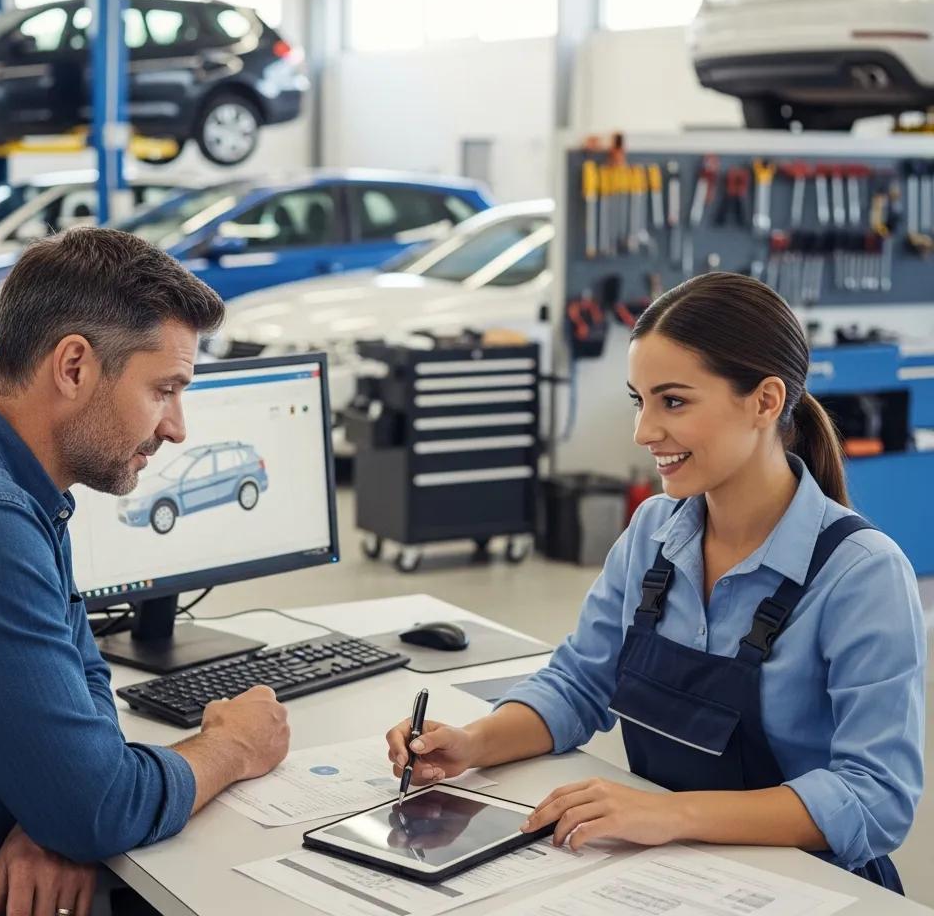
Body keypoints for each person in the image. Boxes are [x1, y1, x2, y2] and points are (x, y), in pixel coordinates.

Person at [387, 272, 925, 893]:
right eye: (638, 401)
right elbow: (580, 682)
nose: (644, 432)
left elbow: (875, 798)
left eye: (673, 401)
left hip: (806, 886)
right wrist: (472, 743)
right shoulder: (653, 532)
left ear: (765, 401)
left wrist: (671, 813)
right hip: (667, 870)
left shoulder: (861, 574)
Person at [0, 227, 292, 915]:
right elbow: (102, 802)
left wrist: (55, 816)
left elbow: (92, 707)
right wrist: (230, 746)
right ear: (75, 367)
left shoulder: (2, 485)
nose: (177, 427)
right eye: (164, 389)